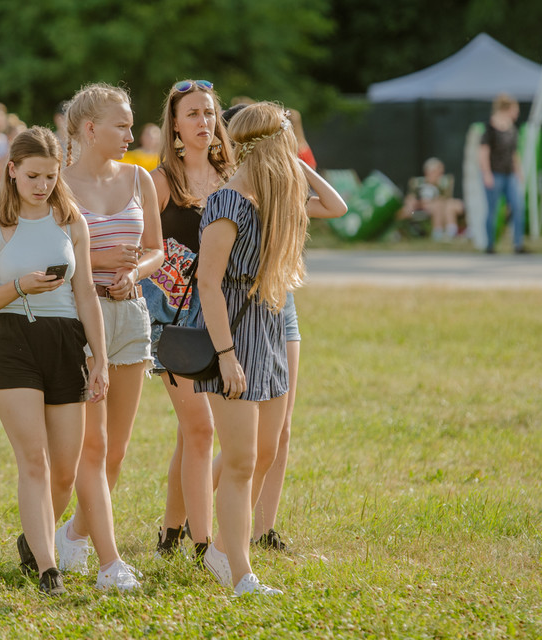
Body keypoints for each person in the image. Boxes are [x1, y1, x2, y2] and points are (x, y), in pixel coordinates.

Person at [195, 102, 345, 596]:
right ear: (268, 147)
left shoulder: (277, 197)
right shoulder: (226, 203)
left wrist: (290, 160)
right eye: (287, 142)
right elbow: (209, 284)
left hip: (271, 331)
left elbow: (336, 206)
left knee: (264, 449)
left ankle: (222, 548)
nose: (295, 152)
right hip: (233, 339)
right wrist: (226, 356)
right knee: (238, 461)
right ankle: (241, 573)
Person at [0, 126, 109, 595]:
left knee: (64, 471)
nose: (41, 184)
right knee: (34, 460)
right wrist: (19, 287)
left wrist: (101, 359)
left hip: (67, 342)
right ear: (12, 171)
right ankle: (49, 570)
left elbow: (85, 293)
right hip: (12, 341)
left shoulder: (71, 222)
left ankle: (34, 538)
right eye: (32, 175)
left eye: (49, 175)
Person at [57, 82, 164, 589]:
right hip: (82, 319)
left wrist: (136, 272)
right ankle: (110, 563)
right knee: (93, 448)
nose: (129, 132)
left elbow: (157, 250)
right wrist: (98, 261)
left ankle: (75, 535)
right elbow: (47, 255)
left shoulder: (140, 180)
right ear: (89, 127)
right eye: (120, 125)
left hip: (132, 315)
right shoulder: (57, 184)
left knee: (116, 451)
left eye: (130, 123)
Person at [148, 79, 233, 562]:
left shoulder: (231, 176)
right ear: (176, 126)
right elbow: (141, 254)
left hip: (220, 318)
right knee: (201, 429)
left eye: (209, 113)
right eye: (194, 114)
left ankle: (170, 532)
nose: (204, 122)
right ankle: (205, 547)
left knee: (190, 432)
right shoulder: (162, 182)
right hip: (173, 322)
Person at [479, 93, 526, 254]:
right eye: (515, 110)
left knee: (518, 207)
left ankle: (518, 244)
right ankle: (490, 245)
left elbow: (514, 153)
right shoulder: (490, 128)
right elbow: (483, 152)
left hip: (509, 174)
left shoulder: (512, 129)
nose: (517, 113)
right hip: (495, 174)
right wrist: (486, 174)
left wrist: (519, 172)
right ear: (508, 109)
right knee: (492, 210)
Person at [400, 157, 463, 241]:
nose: (441, 174)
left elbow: (445, 200)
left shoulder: (442, 185)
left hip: (434, 208)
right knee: (406, 206)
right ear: (429, 172)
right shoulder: (418, 184)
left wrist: (429, 202)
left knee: (438, 205)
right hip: (417, 209)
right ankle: (398, 234)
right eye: (438, 172)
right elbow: (410, 197)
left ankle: (439, 233)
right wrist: (416, 202)